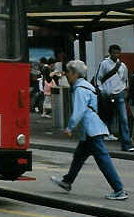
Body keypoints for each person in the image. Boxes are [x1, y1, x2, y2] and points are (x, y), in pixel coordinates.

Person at [50, 60, 129, 200]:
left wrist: (69, 127)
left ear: (74, 73)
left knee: (103, 160)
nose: (67, 75)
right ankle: (67, 181)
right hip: (90, 130)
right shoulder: (86, 86)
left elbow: (79, 111)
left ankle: (119, 189)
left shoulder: (80, 89)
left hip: (92, 130)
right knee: (79, 157)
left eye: (68, 72)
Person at [93, 45, 134, 151]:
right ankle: (101, 139)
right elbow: (98, 78)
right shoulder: (104, 64)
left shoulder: (122, 66)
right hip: (107, 94)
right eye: (114, 53)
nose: (116, 55)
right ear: (110, 53)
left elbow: (125, 80)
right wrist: (102, 91)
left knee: (123, 119)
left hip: (119, 94)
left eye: (118, 53)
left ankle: (126, 144)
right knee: (106, 116)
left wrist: (124, 90)